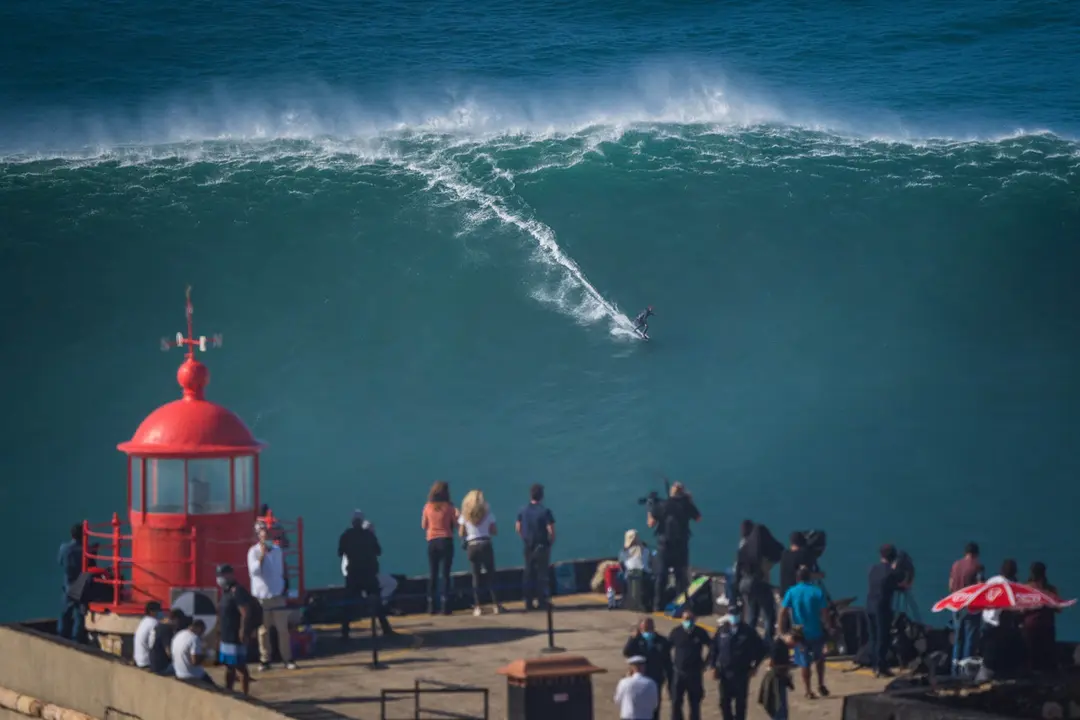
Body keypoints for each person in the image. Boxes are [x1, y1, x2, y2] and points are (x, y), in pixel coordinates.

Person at [247, 519, 298, 670]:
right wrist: (262, 556)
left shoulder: (277, 551)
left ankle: (287, 659)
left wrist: (285, 586)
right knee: (263, 631)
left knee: (283, 630)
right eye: (264, 533)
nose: (267, 536)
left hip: (277, 595)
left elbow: (282, 570)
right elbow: (254, 572)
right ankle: (265, 660)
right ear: (259, 535)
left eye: (269, 533)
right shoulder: (253, 552)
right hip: (261, 598)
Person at [338, 510, 395, 637]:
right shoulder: (369, 536)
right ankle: (386, 629)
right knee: (377, 601)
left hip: (353, 574)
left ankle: (345, 632)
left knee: (348, 604)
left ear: (352, 522)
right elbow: (378, 551)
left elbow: (340, 552)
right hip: (369, 574)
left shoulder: (346, 536)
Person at [647, 482, 701, 611]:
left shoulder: (662, 505)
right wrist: (690, 500)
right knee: (680, 577)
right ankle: (681, 605)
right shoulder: (686, 505)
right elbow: (698, 518)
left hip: (664, 546)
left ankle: (658, 606)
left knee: (661, 576)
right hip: (681, 546)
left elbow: (651, 523)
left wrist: (650, 508)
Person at [779, 566, 831, 699]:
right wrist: (828, 625)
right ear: (809, 577)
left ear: (797, 578)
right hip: (816, 630)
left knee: (804, 662)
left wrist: (782, 631)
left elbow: (783, 612)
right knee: (819, 659)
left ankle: (808, 690)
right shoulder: (817, 591)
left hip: (799, 632)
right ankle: (821, 684)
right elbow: (825, 612)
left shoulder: (791, 591)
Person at [708, 612, 767, 720]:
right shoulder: (722, 630)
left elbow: (762, 650)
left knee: (740, 704)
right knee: (724, 702)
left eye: (736, 614)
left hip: (741, 672)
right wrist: (712, 666)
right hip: (724, 673)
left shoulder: (748, 631)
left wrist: (755, 667)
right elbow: (713, 649)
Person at [865, 544, 909, 678]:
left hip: (869, 605)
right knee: (883, 637)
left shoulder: (873, 569)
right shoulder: (891, 572)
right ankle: (881, 667)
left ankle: (874, 665)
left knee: (873, 637)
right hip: (882, 607)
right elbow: (903, 583)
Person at [459, 489, 505, 616]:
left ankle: (478, 606)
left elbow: (461, 533)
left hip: (472, 546)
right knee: (491, 576)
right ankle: (496, 605)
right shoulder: (488, 514)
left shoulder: (465, 515)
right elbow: (494, 531)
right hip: (485, 544)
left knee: (476, 576)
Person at [623, 617, 673, 720]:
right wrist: (633, 638)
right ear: (640, 629)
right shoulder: (636, 640)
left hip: (655, 678)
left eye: (650, 628)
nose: (648, 631)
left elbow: (667, 662)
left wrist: (670, 681)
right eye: (645, 629)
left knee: (654, 706)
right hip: (639, 678)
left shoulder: (662, 641)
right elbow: (627, 652)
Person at [216, 563, 254, 695]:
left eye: (224, 574)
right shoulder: (225, 592)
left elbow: (245, 612)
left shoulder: (237, 591)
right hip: (226, 636)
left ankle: (245, 694)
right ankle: (229, 690)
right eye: (219, 575)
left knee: (240, 666)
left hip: (235, 635)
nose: (221, 578)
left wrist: (243, 630)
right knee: (228, 666)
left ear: (231, 575)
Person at [516, 483, 555, 611]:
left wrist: (525, 538)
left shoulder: (522, 510)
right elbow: (551, 531)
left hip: (528, 546)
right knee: (542, 575)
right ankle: (542, 601)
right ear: (541, 496)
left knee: (528, 573)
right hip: (541, 546)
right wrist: (549, 543)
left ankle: (528, 602)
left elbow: (518, 528)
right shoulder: (545, 511)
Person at [421, 481, 458, 615]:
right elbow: (455, 522)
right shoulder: (449, 507)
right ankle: (445, 605)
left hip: (432, 541)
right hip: (446, 540)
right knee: (446, 574)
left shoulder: (427, 507)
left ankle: (430, 605)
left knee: (433, 573)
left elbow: (424, 525)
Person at [948, 541, 984, 675]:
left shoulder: (956, 565)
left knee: (958, 638)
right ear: (976, 554)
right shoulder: (977, 567)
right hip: (970, 607)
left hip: (956, 605)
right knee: (970, 639)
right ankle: (966, 672)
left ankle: (954, 670)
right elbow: (980, 586)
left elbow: (951, 586)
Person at [668, 609, 710, 720]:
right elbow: (666, 648)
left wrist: (707, 662)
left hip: (695, 674)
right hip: (678, 673)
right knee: (676, 702)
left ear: (695, 619)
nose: (688, 621)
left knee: (695, 703)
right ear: (682, 619)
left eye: (691, 619)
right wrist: (670, 665)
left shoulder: (700, 632)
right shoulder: (676, 632)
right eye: (686, 619)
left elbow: (713, 647)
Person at [1022, 561, 1059, 673]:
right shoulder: (1052, 589)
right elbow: (1059, 609)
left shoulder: (1026, 588)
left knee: (1031, 659)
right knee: (1046, 661)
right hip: (1047, 628)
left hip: (1030, 628)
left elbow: (1021, 609)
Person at [57, 523, 86, 643]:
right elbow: (90, 566)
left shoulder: (64, 548)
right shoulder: (85, 550)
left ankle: (62, 636)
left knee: (65, 613)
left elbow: (60, 562)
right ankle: (76, 639)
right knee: (80, 614)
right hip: (81, 584)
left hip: (68, 584)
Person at [757, 640, 795, 720]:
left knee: (778, 706)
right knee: (779, 706)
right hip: (776, 679)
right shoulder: (780, 646)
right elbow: (773, 663)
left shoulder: (779, 645)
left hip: (777, 677)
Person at [778, 532, 824, 597]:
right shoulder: (802, 555)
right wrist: (820, 575)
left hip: (784, 595)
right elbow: (806, 575)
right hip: (797, 596)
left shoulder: (784, 554)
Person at [170, 619, 214, 686]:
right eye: (202, 631)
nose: (202, 634)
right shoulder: (194, 638)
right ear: (199, 628)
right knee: (214, 687)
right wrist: (205, 655)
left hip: (178, 673)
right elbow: (195, 662)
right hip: (191, 675)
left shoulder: (179, 634)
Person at [615, 656, 660, 720]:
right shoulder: (651, 683)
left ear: (631, 668)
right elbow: (655, 704)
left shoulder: (624, 682)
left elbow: (617, 700)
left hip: (628, 717)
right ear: (644, 667)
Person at [133, 602, 162, 671]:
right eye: (158, 610)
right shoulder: (154, 623)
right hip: (147, 662)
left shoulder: (144, 621)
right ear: (152, 611)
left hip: (138, 659)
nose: (160, 613)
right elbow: (152, 644)